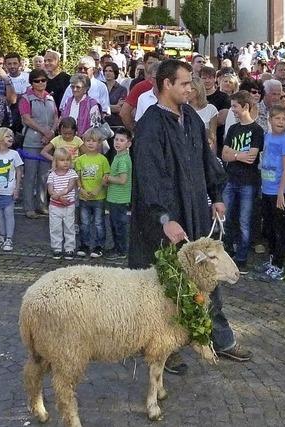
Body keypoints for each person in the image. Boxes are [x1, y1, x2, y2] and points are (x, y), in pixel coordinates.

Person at [129, 59, 252, 371]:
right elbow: (148, 177)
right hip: (165, 223)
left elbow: (207, 160)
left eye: (191, 82)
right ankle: (162, 348)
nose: (191, 88)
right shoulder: (149, 126)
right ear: (166, 84)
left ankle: (220, 339)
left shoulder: (193, 120)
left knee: (205, 277)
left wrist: (218, 195)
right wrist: (164, 218)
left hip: (195, 214)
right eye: (184, 83)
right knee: (165, 284)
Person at [221, 90, 264, 273]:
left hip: (248, 181)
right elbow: (224, 154)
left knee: (244, 220)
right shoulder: (233, 129)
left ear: (246, 106)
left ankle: (242, 258)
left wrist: (234, 155)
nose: (233, 110)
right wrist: (238, 155)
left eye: (235, 107)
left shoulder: (256, 130)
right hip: (230, 178)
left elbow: (251, 158)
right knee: (227, 218)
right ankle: (227, 251)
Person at [257, 104, 285, 281]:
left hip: (280, 192)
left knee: (280, 229)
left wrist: (281, 192)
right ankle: (272, 259)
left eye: (284, 119)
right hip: (266, 189)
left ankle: (279, 265)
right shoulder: (267, 137)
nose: (281, 121)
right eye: (277, 118)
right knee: (269, 228)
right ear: (270, 120)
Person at [19, 68, 59, 219]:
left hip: (47, 142)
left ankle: (41, 205)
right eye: (37, 80)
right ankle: (28, 207)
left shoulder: (50, 97)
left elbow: (56, 117)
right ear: (32, 82)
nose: (41, 83)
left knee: (44, 176)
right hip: (31, 141)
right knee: (30, 176)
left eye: (43, 80)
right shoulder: (26, 98)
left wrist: (51, 132)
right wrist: (44, 131)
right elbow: (26, 119)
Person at [74, 128, 110, 259]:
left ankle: (99, 246)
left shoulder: (103, 160)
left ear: (99, 142)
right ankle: (84, 244)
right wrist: (80, 189)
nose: (90, 143)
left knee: (99, 223)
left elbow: (106, 177)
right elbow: (77, 176)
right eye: (87, 140)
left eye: (93, 141)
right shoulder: (80, 160)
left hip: (99, 198)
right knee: (84, 223)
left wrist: (98, 189)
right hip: (84, 197)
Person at [0, 127, 23, 252]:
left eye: (11, 136)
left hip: (9, 191)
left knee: (9, 214)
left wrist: (17, 188)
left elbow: (19, 172)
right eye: (8, 136)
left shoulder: (14, 154)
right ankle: (1, 235)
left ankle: (9, 238)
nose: (11, 138)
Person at [103, 128, 132, 260]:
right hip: (114, 197)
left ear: (128, 144)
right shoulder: (118, 156)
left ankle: (121, 250)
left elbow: (122, 179)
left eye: (122, 140)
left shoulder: (123, 160)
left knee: (119, 225)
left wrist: (108, 178)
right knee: (115, 224)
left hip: (120, 198)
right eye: (116, 139)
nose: (118, 142)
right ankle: (117, 247)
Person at [47, 147, 78, 259]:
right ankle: (57, 248)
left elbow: (70, 186)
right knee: (55, 228)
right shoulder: (52, 175)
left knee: (69, 227)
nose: (65, 162)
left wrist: (59, 194)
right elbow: (50, 190)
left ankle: (69, 248)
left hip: (69, 205)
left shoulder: (72, 173)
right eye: (62, 160)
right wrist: (59, 198)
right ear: (56, 161)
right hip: (55, 206)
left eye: (67, 160)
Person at [190, 77, 218, 153]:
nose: (187, 91)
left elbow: (213, 137)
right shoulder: (182, 108)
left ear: (198, 90)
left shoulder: (211, 109)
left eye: (191, 88)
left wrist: (214, 159)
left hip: (205, 150)